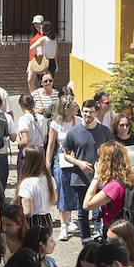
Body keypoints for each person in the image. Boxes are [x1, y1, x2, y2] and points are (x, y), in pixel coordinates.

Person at [63, 100, 112, 240]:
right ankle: (85, 240)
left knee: (99, 211)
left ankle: (98, 236)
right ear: (82, 112)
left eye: (91, 112)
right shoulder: (73, 132)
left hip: (100, 178)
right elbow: (66, 155)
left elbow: (111, 152)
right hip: (80, 178)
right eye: (85, 111)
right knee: (82, 211)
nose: (88, 114)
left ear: (96, 113)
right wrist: (79, 163)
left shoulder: (104, 131)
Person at [82, 142, 134, 237]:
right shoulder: (131, 178)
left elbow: (86, 205)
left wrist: (96, 177)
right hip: (129, 229)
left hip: (114, 231)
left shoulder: (114, 186)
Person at [46, 95, 80, 240]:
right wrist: (47, 162)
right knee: (62, 190)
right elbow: (51, 144)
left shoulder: (78, 122)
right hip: (62, 159)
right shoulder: (55, 124)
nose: (77, 107)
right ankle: (63, 225)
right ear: (66, 109)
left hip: (76, 158)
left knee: (73, 189)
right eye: (75, 105)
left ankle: (70, 218)